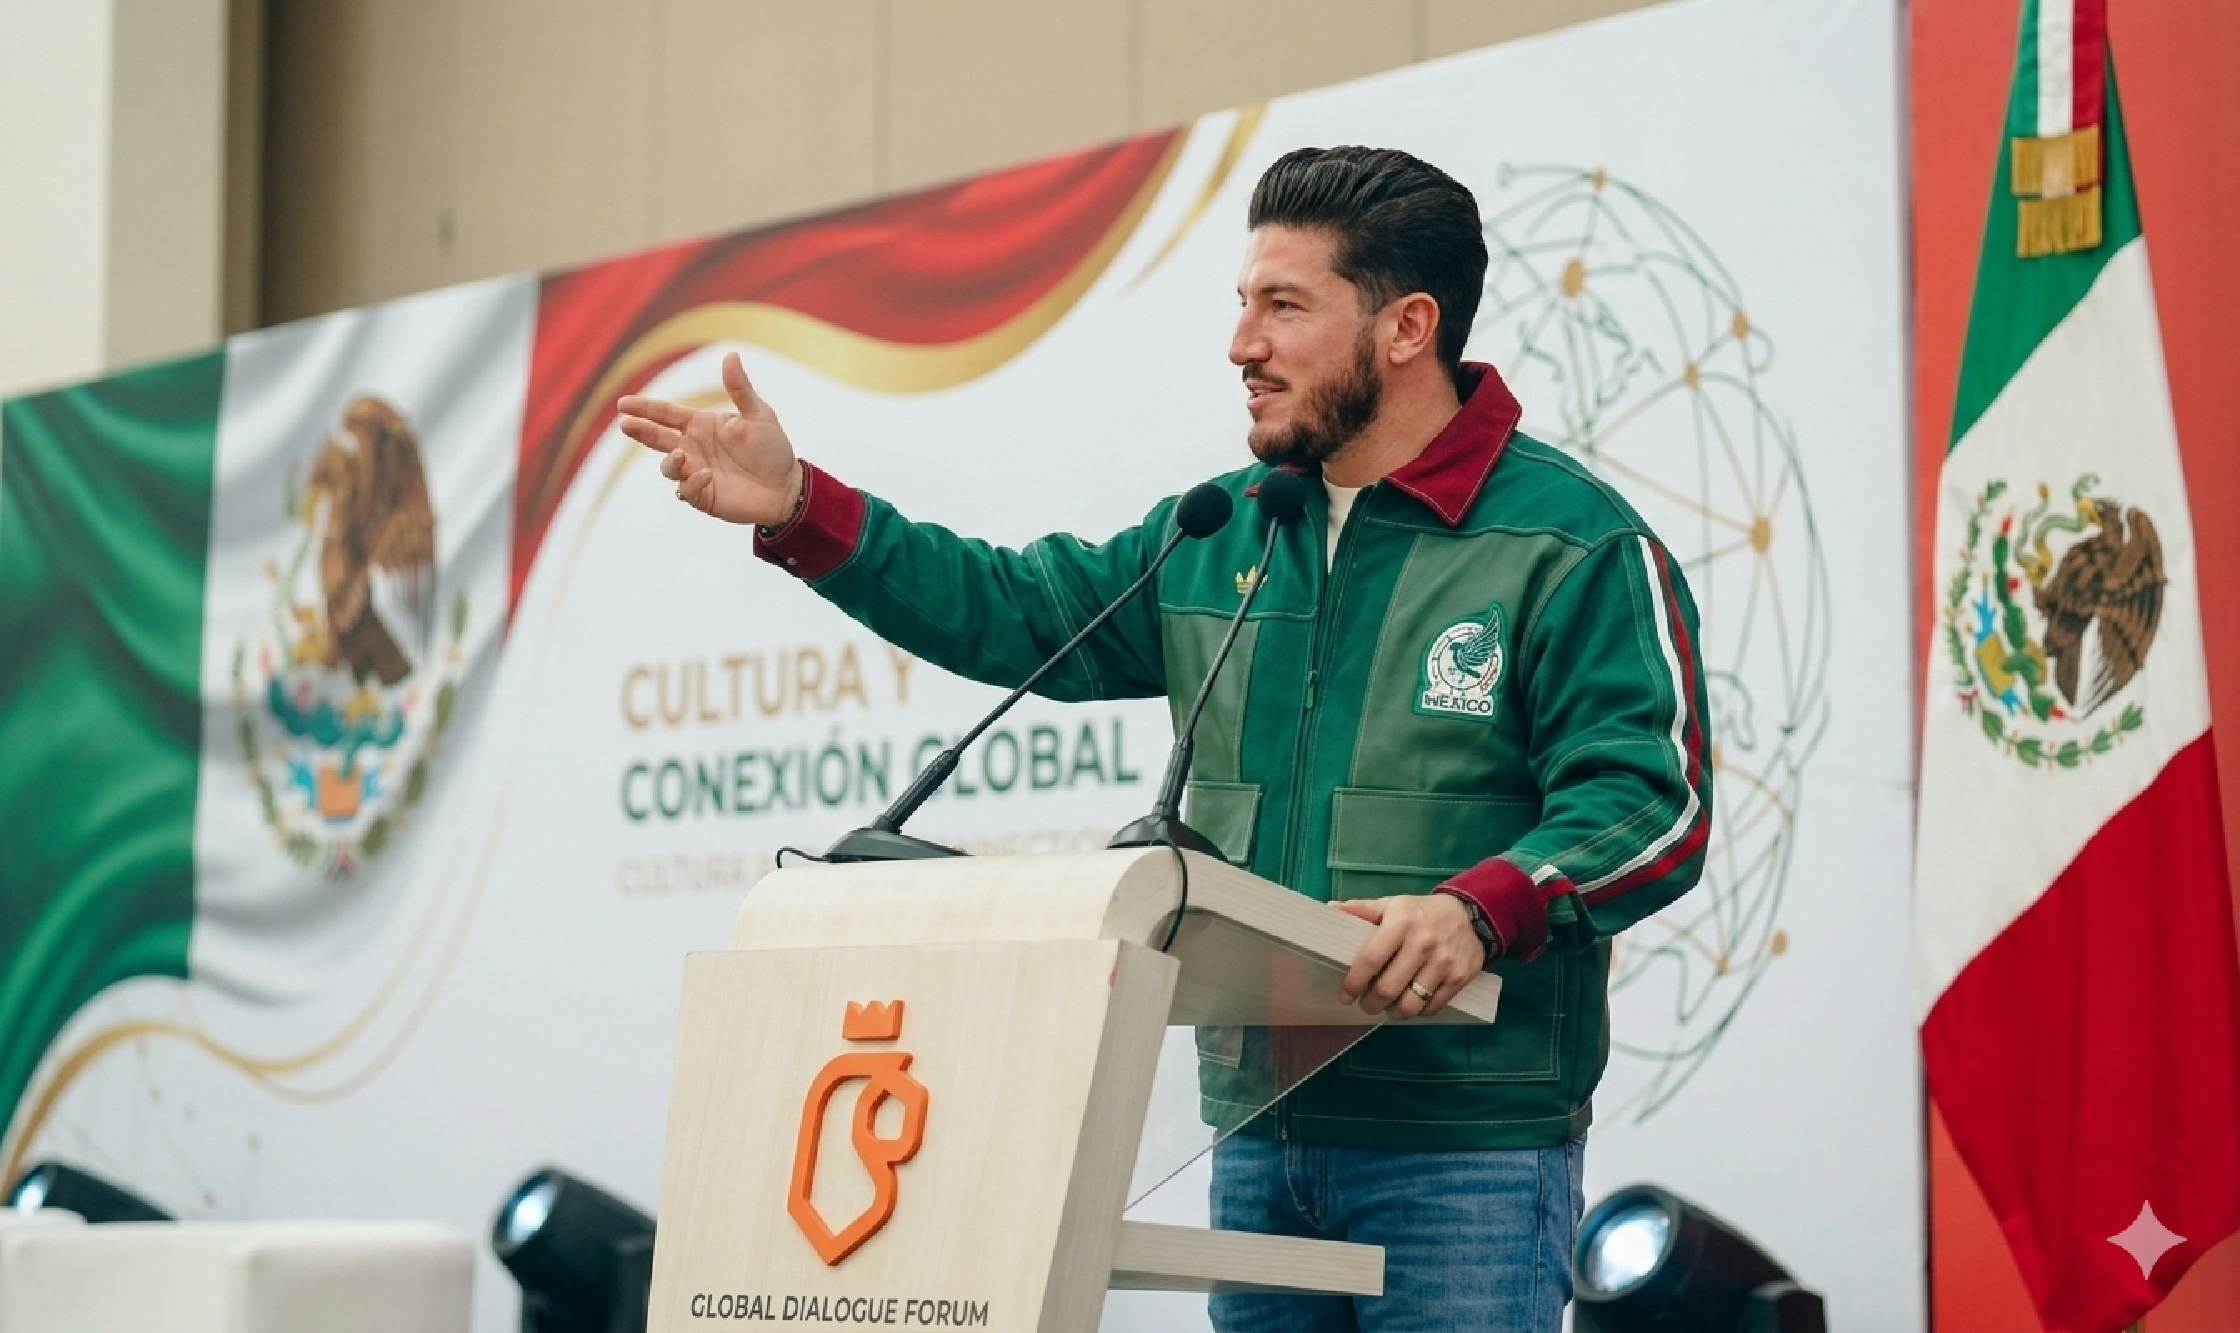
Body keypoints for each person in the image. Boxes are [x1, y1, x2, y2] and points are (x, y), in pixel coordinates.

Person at [619, 145, 1710, 1333]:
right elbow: (1021, 611)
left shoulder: (1571, 545)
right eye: (1240, 304)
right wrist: (799, 510)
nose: (1240, 344)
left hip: (1464, 1154)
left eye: (1282, 306)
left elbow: (1650, 805)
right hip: (1251, 1139)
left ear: (1405, 328)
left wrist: (1476, 906)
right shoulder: (1223, 533)